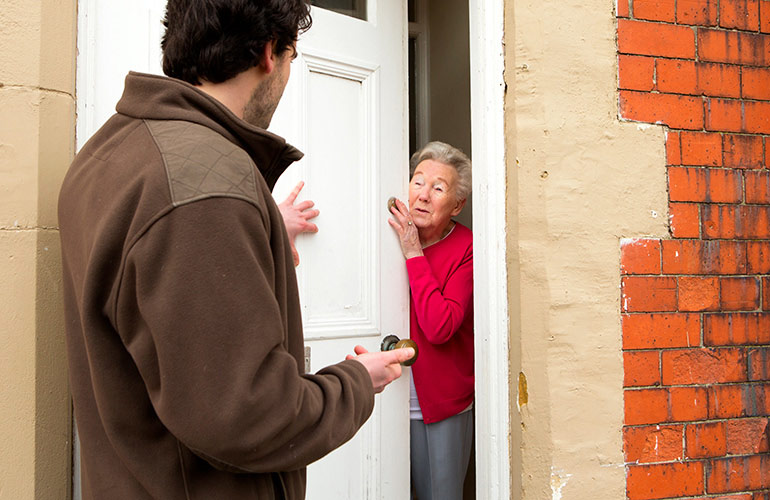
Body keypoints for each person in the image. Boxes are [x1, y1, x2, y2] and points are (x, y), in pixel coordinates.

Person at [57, 1, 413, 499]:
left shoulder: (107, 154)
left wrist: (258, 230)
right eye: (292, 58)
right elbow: (247, 414)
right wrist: (356, 382)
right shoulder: (207, 188)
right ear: (270, 53)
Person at [387, 141, 474, 500]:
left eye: (438, 188)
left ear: (457, 204)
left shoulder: (467, 247)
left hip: (439, 404)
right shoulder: (384, 234)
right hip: (385, 394)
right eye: (418, 181)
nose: (422, 195)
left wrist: (413, 253)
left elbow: (440, 327)